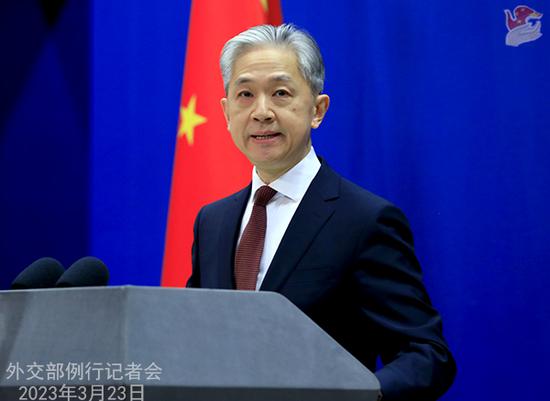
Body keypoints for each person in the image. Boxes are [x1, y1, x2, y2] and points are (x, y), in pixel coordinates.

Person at [187, 23, 456, 400]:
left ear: (317, 109)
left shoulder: (364, 220)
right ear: (226, 111)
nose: (261, 112)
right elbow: (195, 341)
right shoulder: (212, 222)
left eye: (280, 93)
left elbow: (426, 355)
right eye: (245, 94)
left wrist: (356, 396)